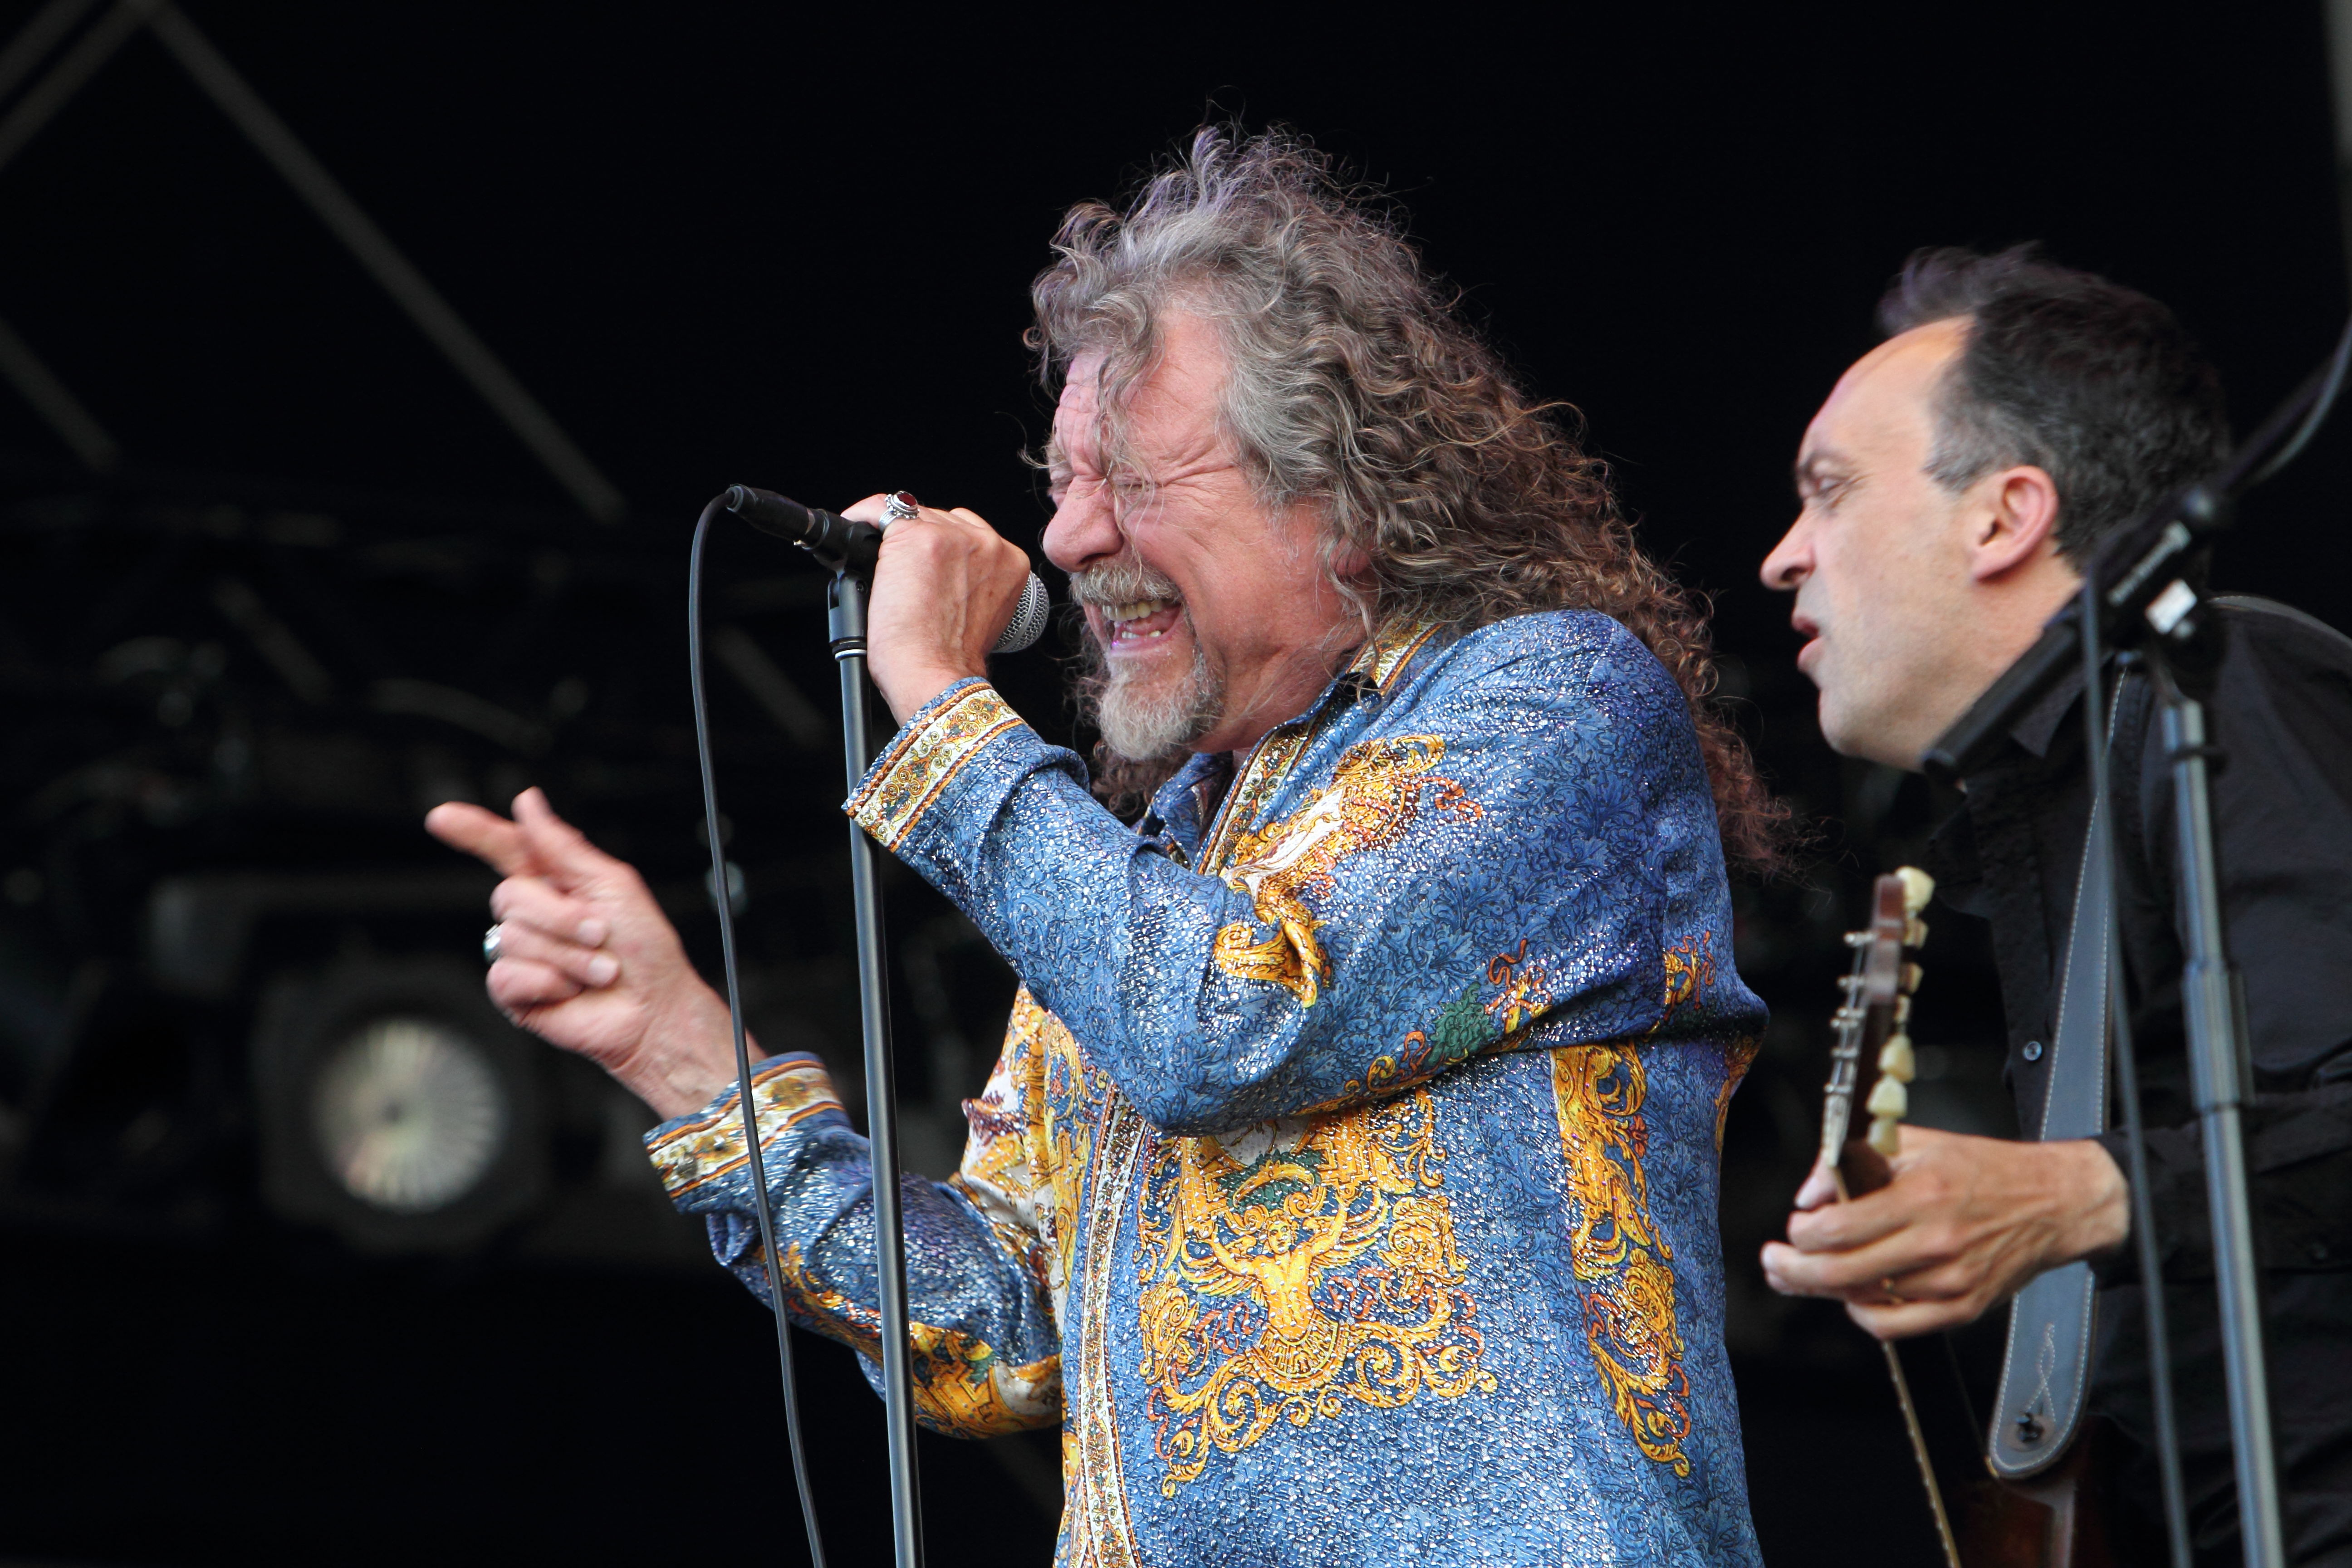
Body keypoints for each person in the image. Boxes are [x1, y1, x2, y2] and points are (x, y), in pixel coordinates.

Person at [431, 129, 1783, 1564]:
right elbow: (1002, 1333)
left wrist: (941, 704)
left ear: (1342, 496)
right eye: (1063, 479)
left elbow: (1234, 1023)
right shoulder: (1159, 861)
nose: (1067, 538)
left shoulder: (1553, 701)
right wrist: (684, 1056)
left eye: (1127, 477)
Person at [1758, 246, 2352, 1563]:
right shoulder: (2026, 820)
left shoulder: (2222, 689)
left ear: (2005, 516)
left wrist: (2076, 1195)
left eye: (1830, 491)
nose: (1781, 559)